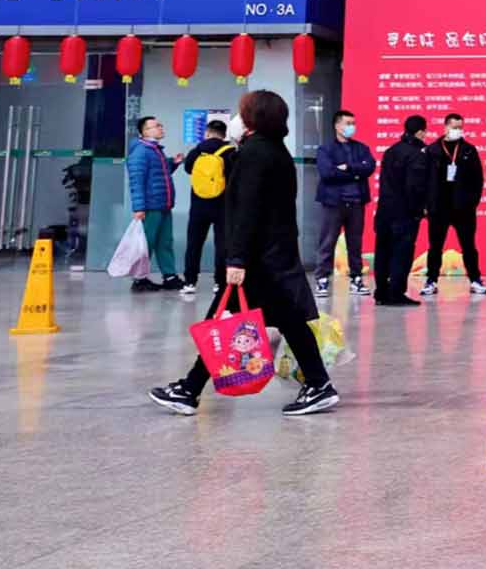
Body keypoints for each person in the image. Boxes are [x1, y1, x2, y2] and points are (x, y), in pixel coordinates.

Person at [148, 91, 341, 417]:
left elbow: (246, 210)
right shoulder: (274, 151)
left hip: (257, 259)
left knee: (222, 321)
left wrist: (236, 259)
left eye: (242, 112)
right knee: (287, 321)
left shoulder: (254, 154)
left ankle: (189, 390)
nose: (237, 119)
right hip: (273, 253)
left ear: (254, 118)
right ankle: (318, 384)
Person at [422, 112, 486, 296]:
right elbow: (424, 180)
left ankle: (475, 279)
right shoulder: (432, 150)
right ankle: (431, 280)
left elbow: (478, 179)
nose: (458, 130)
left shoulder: (468, 150)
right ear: (445, 127)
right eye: (454, 127)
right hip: (439, 207)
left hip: (463, 209)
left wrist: (472, 202)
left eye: (460, 127)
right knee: (435, 247)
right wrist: (427, 204)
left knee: (468, 246)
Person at [314, 109, 378, 298]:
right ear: (337, 125)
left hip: (357, 202)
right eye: (348, 123)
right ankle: (322, 279)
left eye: (353, 123)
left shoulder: (361, 148)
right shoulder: (325, 149)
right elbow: (327, 173)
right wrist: (355, 173)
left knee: (355, 243)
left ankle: (356, 279)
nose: (351, 127)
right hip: (334, 202)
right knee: (328, 242)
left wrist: (348, 168)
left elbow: (369, 167)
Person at [375, 115, 432, 307]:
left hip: (384, 211)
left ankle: (381, 291)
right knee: (402, 253)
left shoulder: (391, 151)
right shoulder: (417, 155)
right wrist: (419, 211)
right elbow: (414, 188)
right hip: (404, 213)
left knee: (382, 251)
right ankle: (396, 293)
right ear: (420, 132)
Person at [126, 116, 185, 293]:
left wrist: (172, 164)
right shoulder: (141, 152)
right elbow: (136, 181)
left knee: (164, 242)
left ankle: (170, 276)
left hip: (163, 205)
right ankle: (140, 279)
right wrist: (138, 208)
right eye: (156, 126)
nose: (161, 128)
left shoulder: (155, 150)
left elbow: (159, 173)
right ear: (144, 132)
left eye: (160, 125)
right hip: (150, 207)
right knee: (147, 244)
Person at [179, 119, 235, 298]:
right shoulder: (230, 152)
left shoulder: (197, 150)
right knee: (222, 245)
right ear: (224, 135)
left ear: (207, 132)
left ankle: (189, 282)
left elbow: (188, 169)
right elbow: (234, 177)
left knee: (194, 243)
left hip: (199, 204)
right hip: (223, 205)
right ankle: (219, 282)